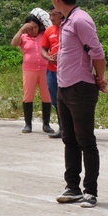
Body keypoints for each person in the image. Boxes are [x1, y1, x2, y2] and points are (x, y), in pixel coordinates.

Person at [51, 0, 107, 208]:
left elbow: (98, 53)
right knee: (69, 139)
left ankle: (90, 191)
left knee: (86, 140)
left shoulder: (81, 20)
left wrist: (100, 78)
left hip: (81, 88)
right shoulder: (66, 21)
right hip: (64, 88)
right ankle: (72, 187)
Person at [11, 14, 54, 134]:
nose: (33, 30)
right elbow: (13, 43)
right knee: (28, 96)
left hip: (45, 69)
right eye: (30, 27)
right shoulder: (23, 37)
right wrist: (22, 30)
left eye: (35, 27)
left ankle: (46, 124)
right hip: (29, 70)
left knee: (47, 96)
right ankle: (28, 124)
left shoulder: (44, 35)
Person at [41, 8, 64, 138]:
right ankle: (62, 128)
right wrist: (47, 57)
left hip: (66, 71)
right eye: (50, 15)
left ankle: (70, 129)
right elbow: (43, 49)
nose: (51, 18)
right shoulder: (49, 31)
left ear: (61, 14)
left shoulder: (68, 28)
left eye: (53, 15)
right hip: (51, 70)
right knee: (55, 99)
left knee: (66, 99)